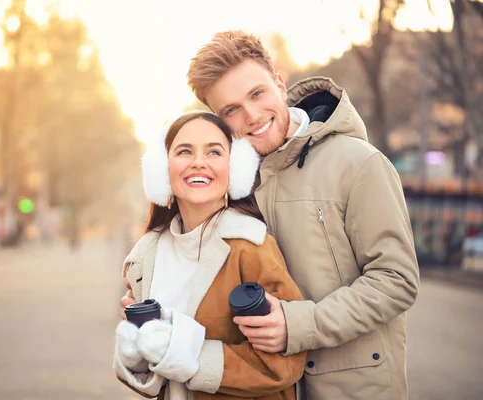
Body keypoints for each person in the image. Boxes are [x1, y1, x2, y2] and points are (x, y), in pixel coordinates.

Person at [122, 31, 420, 400]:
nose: (251, 116)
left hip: (352, 389)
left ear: (279, 84)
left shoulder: (359, 164)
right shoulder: (230, 183)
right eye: (230, 110)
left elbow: (397, 280)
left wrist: (298, 325)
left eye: (257, 94)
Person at [114, 111, 306, 400]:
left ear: (236, 168)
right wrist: (136, 349)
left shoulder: (251, 247)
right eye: (184, 151)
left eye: (214, 151)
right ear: (162, 170)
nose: (198, 162)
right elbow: (154, 379)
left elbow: (284, 365)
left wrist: (185, 357)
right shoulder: (147, 255)